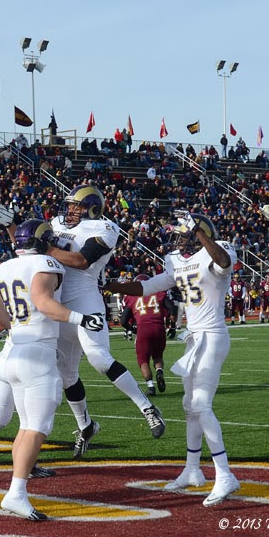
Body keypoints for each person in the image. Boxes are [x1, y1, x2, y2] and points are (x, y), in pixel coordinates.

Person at [0, 220, 104, 521]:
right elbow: (44, 303)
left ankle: (16, 490)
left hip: (15, 350)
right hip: (38, 354)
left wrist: (19, 328)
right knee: (37, 427)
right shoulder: (46, 263)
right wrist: (82, 318)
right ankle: (16, 493)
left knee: (25, 427)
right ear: (44, 240)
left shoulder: (5, 267)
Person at [105, 211, 241, 507]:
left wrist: (199, 231)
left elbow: (223, 262)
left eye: (183, 234)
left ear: (198, 234)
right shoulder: (176, 261)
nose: (178, 240)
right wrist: (111, 285)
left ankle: (225, 474)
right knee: (189, 406)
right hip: (194, 338)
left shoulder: (218, 250)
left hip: (213, 335)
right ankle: (193, 469)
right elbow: (146, 287)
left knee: (201, 405)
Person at [40, 184, 165, 455]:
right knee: (66, 376)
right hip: (59, 305)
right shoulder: (57, 223)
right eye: (69, 205)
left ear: (93, 209)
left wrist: (46, 249)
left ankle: (148, 408)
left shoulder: (104, 228)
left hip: (86, 299)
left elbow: (81, 261)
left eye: (76, 206)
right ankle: (85, 426)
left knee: (99, 358)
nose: (70, 210)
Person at [121, 274, 169, 397]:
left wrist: (132, 329)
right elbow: (171, 308)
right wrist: (172, 324)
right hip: (159, 328)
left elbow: (123, 321)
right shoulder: (159, 292)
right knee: (158, 356)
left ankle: (151, 387)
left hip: (143, 329)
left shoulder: (131, 296)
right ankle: (159, 372)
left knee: (143, 360)